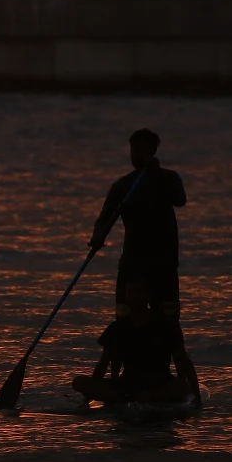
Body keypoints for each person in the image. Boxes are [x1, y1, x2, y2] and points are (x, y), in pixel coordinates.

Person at [89, 128, 187, 320]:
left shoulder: (168, 178)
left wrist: (156, 174)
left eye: (142, 150)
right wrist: (98, 236)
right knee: (125, 318)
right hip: (133, 262)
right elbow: (105, 217)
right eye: (133, 150)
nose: (136, 155)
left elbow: (180, 200)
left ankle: (172, 349)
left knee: (168, 319)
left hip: (163, 264)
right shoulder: (123, 185)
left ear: (152, 152)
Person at [72, 280, 200, 406]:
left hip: (160, 382)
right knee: (79, 382)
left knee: (182, 387)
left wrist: (197, 396)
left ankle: (148, 398)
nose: (136, 297)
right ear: (126, 296)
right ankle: (129, 398)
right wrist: (88, 398)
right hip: (127, 383)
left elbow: (184, 360)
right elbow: (102, 364)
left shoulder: (166, 325)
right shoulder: (117, 327)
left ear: (148, 295)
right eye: (131, 293)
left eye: (140, 292)